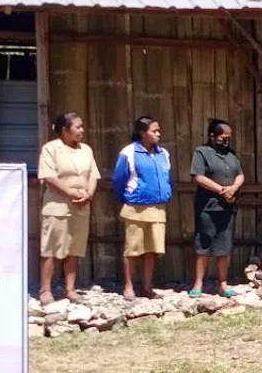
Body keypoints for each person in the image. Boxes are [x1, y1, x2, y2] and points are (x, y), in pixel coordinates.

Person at [37, 113, 98, 305]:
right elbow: (49, 177)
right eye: (77, 127)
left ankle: (70, 289)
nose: (82, 130)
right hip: (57, 206)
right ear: (65, 130)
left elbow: (93, 175)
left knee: (74, 248)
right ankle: (45, 289)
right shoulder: (50, 149)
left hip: (81, 206)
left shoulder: (86, 150)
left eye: (82, 127)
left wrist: (88, 194)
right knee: (52, 249)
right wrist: (71, 193)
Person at [113, 116, 173, 301]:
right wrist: (127, 197)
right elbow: (119, 179)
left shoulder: (164, 153)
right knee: (132, 249)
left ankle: (147, 286)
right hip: (136, 207)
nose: (158, 134)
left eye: (158, 130)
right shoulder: (129, 152)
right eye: (154, 131)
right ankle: (129, 286)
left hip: (157, 208)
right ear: (142, 133)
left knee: (151, 250)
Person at [190, 119, 245, 298]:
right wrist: (221, 190)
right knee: (204, 245)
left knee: (224, 247)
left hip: (227, 208)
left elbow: (240, 175)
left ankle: (222, 284)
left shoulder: (231, 154)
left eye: (229, 138)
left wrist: (233, 188)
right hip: (208, 207)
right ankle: (198, 284)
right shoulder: (202, 152)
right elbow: (198, 177)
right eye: (223, 138)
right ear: (212, 136)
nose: (226, 141)